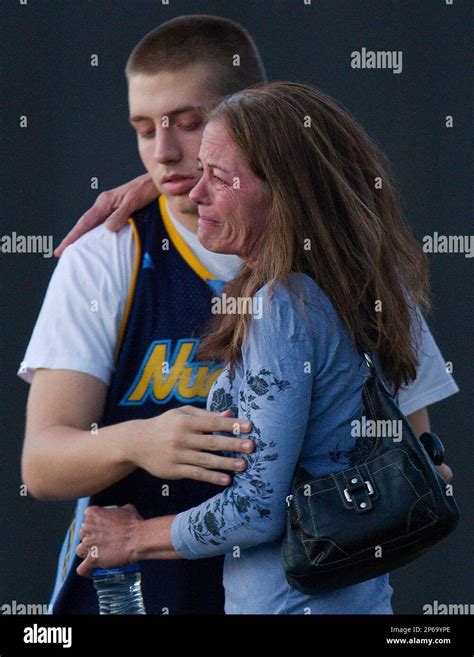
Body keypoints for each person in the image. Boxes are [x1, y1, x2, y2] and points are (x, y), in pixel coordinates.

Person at [19, 17, 458, 614]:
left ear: (254, 119)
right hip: (143, 596)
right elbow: (40, 466)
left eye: (191, 124)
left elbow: (415, 452)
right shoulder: (112, 251)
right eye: (144, 129)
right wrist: (140, 441)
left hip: (288, 593)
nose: (167, 154)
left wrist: (398, 482)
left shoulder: (341, 266)